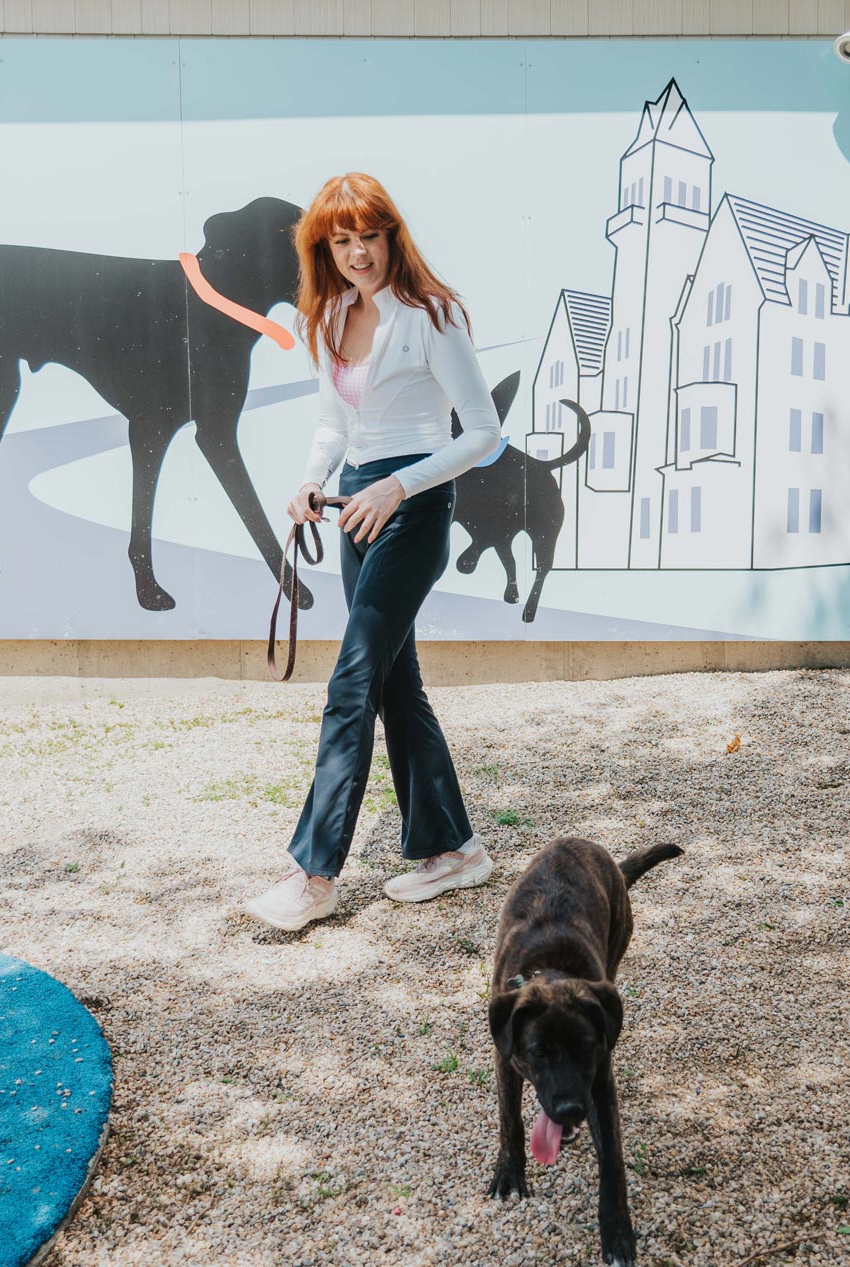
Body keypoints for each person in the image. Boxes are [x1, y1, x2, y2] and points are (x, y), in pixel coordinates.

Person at [245, 173, 502, 932]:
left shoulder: (434, 314)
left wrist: (398, 487)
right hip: (351, 504)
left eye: (370, 235)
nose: (358, 253)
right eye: (342, 240)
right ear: (324, 247)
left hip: (413, 507)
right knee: (394, 684)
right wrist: (308, 481)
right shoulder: (324, 318)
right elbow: (333, 424)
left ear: (393, 235)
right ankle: (454, 849)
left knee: (352, 680)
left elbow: (483, 433)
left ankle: (313, 873)